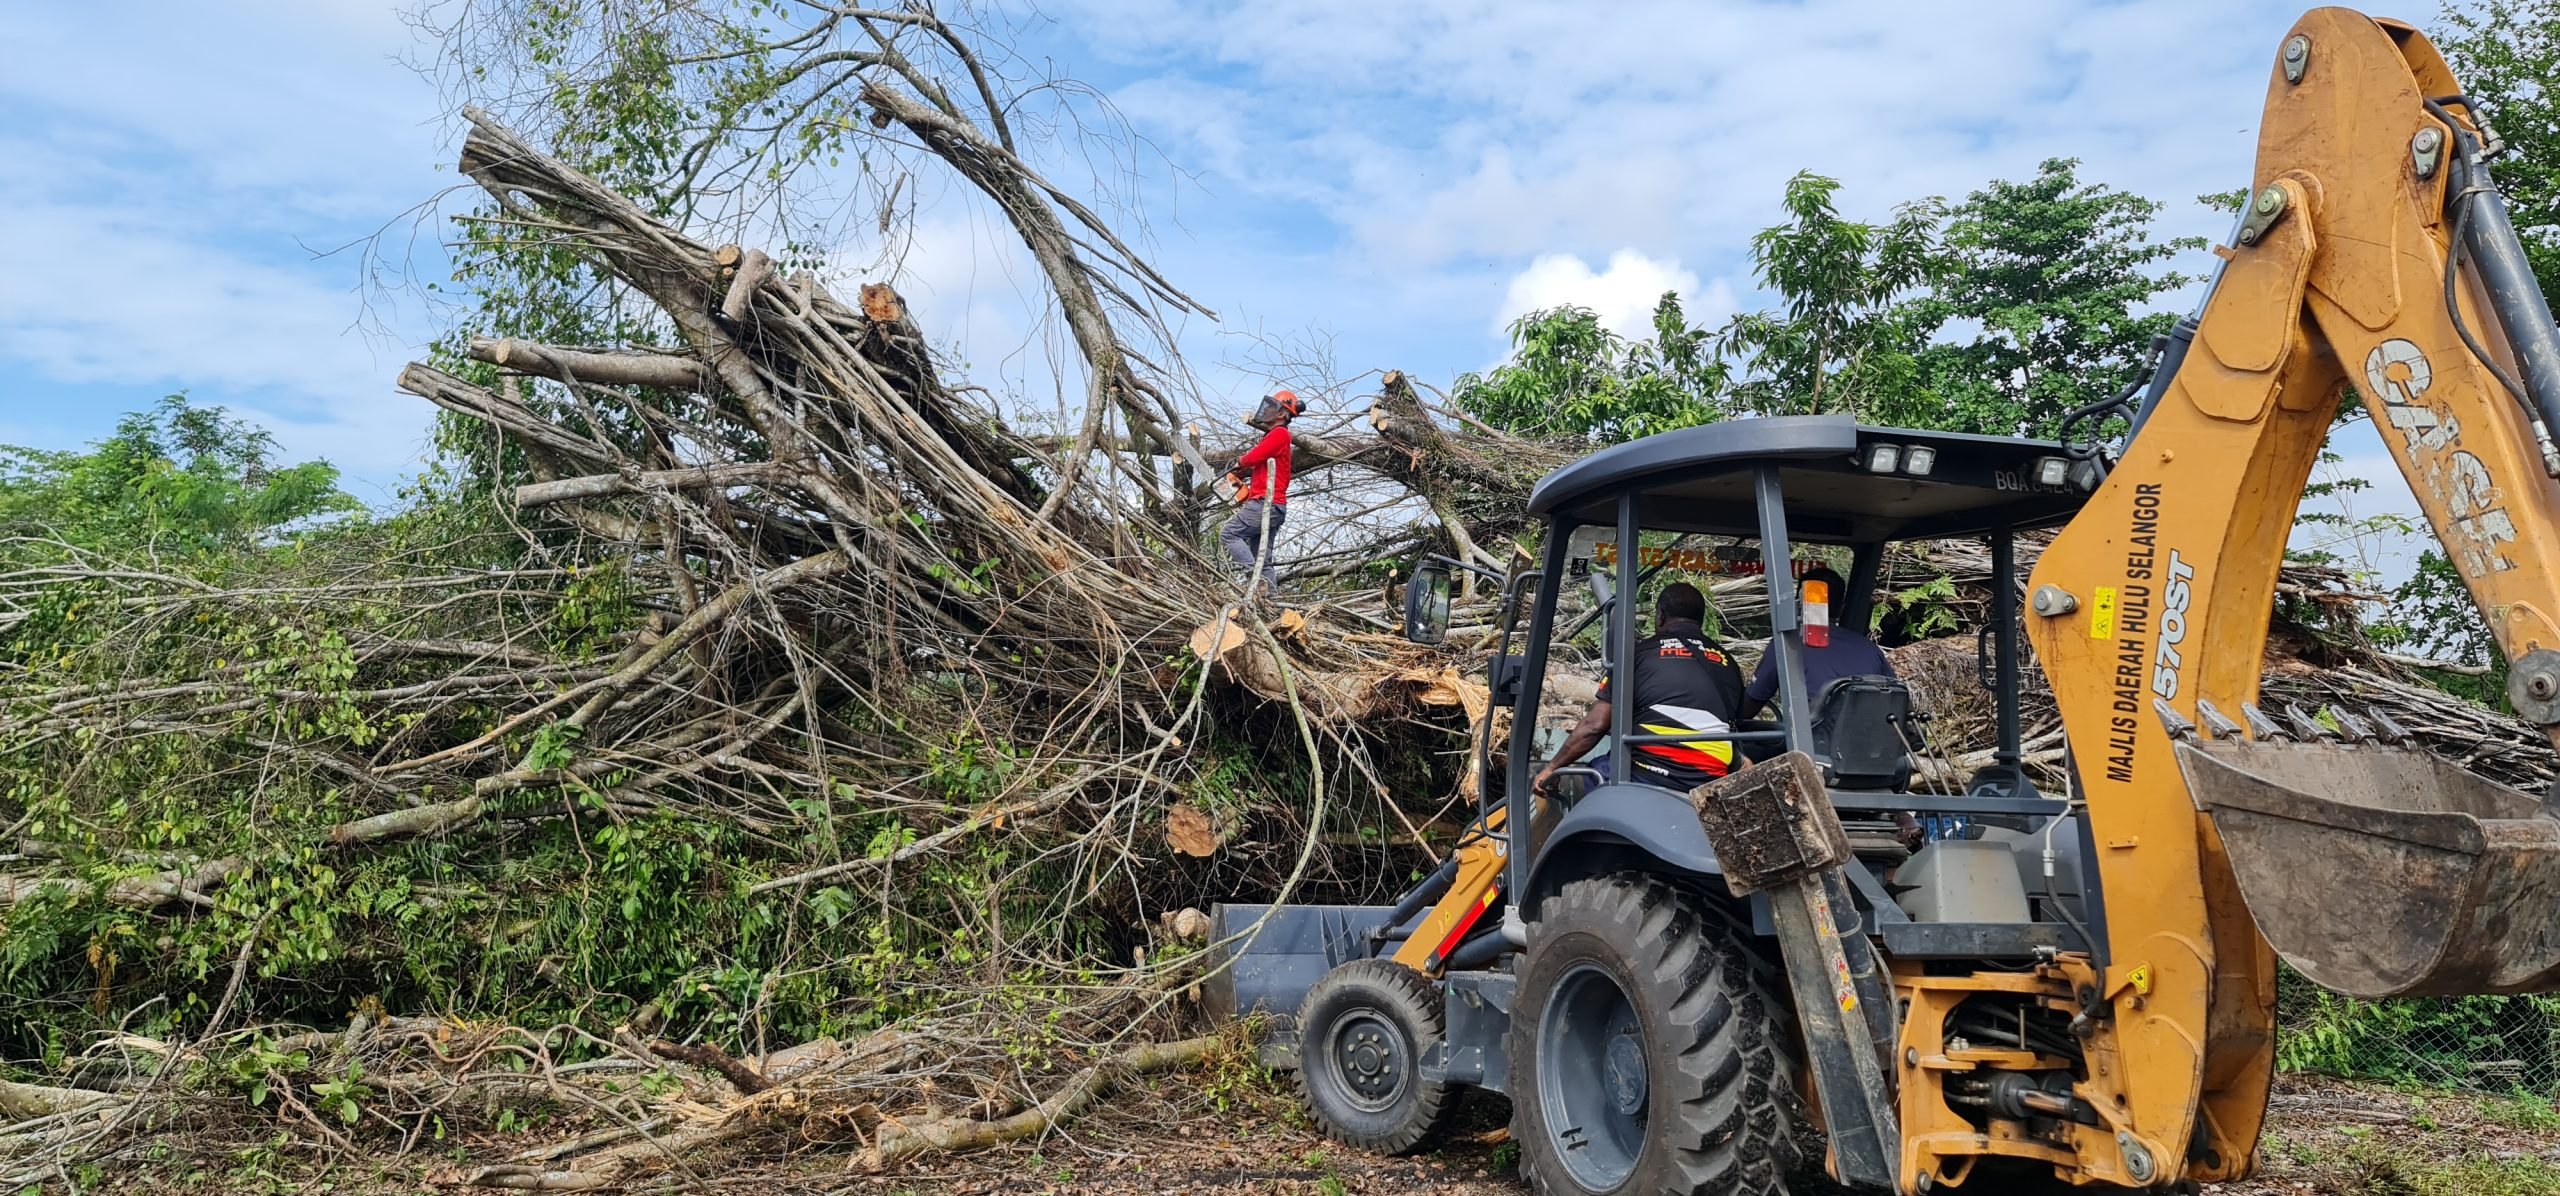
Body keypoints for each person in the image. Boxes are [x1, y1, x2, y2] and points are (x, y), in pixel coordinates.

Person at [1532, 582, 1746, 796]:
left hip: (1648, 776)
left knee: (1576, 782)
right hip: (1711, 782)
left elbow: (1595, 726)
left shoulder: (1640, 655)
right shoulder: (1727, 662)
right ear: (1700, 620)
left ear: (1660, 615)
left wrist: (1552, 768)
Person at [1740, 565, 1896, 720]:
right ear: (1842, 607)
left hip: (1808, 742)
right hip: (1868, 742)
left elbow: (1750, 706)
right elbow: (1896, 698)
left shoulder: (1787, 645)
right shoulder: (1870, 649)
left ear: (1799, 602)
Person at [1221, 390, 1303, 591]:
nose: (1266, 410)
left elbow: (1254, 456)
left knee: (1229, 534)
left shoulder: (1280, 434)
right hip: (1274, 506)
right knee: (1262, 559)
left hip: (1266, 503)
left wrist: (1238, 463)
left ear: (1282, 414)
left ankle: (1256, 582)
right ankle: (1272, 603)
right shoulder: (1273, 437)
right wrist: (1241, 471)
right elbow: (1259, 463)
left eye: (1272, 407)